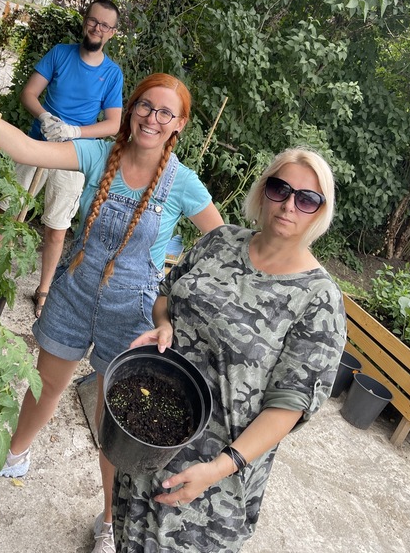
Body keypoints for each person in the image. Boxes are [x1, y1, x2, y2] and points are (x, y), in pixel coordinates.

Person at [0, 71, 224, 553]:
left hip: (132, 314)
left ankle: (110, 519)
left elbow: (218, 249)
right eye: (145, 106)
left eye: (165, 112)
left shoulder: (183, 183)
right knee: (44, 384)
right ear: (131, 110)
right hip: (73, 292)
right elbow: (27, 150)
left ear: (180, 125)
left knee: (117, 424)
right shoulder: (98, 154)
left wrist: (169, 308)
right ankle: (14, 455)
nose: (153, 118)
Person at [119, 147, 348, 552]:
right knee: (129, 536)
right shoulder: (219, 242)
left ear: (320, 212)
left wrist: (218, 469)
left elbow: (288, 407)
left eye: (307, 198)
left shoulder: (318, 299)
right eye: (280, 188)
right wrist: (164, 324)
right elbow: (166, 297)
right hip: (149, 430)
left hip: (211, 477)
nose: (289, 204)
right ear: (264, 192)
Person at [11, 0, 123, 318]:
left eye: (104, 25)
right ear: (85, 21)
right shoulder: (60, 53)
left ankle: (43, 288)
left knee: (57, 227)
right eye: (93, 21)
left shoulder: (112, 74)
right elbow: (29, 93)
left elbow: (114, 123)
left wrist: (75, 132)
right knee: (8, 210)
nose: (97, 28)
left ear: (112, 33)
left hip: (73, 155)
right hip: (35, 143)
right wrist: (46, 117)